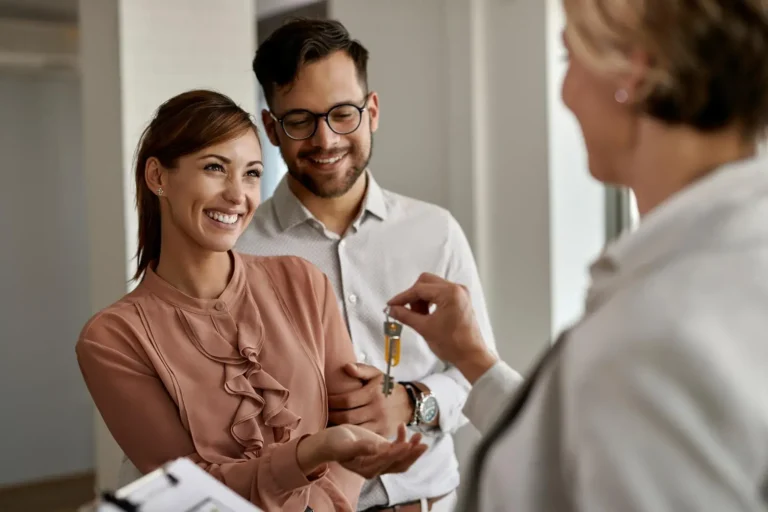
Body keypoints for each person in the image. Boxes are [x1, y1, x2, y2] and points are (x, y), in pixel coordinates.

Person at [387, 0, 768, 510]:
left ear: (633, 70)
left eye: (569, 59)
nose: (565, 95)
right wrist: (474, 360)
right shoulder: (727, 262)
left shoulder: (659, 334)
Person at [75, 90, 427, 512]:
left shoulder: (302, 281)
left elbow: (351, 426)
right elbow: (187, 490)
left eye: (252, 174)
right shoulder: (113, 338)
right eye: (214, 168)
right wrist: (310, 453)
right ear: (158, 177)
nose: (237, 195)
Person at [235, 17, 507, 512]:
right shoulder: (238, 251)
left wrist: (411, 401)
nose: (325, 140)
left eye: (343, 113)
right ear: (271, 129)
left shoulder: (435, 230)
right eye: (300, 120)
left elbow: (475, 370)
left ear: (372, 110)